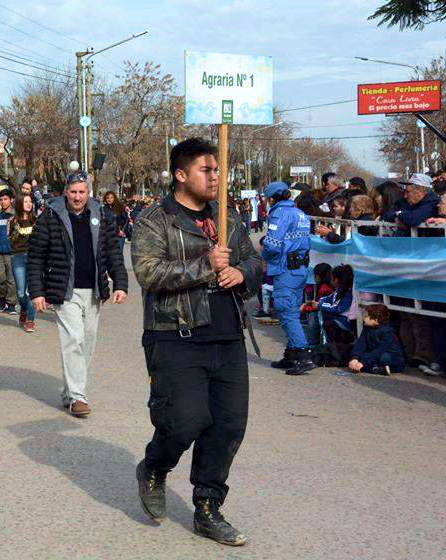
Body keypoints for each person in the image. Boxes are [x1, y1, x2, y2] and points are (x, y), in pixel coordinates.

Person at [131, 137, 262, 546]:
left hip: (228, 337)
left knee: (228, 426)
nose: (215, 177)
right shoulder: (155, 220)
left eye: (217, 170)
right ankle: (155, 466)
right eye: (206, 170)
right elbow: (149, 273)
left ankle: (208, 507)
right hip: (176, 336)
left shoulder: (228, 217)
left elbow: (254, 260)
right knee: (183, 420)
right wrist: (205, 265)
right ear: (181, 174)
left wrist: (242, 273)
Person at [28, 170, 129, 418]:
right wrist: (37, 292)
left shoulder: (101, 214)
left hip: (93, 290)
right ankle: (77, 397)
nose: (77, 196)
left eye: (82, 192)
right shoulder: (50, 216)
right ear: (66, 192)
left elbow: (112, 252)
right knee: (74, 340)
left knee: (87, 342)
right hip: (65, 290)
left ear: (89, 192)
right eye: (73, 191)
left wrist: (121, 283)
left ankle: (70, 391)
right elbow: (36, 256)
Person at [261, 181, 317, 375]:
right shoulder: (300, 213)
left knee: (286, 311)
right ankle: (291, 354)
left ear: (271, 199)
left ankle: (302, 354)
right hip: (300, 269)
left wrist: (263, 256)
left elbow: (272, 244)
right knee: (292, 311)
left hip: (285, 269)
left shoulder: (279, 213)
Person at [348, 304, 406, 375]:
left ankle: (375, 368)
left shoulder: (388, 332)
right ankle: (376, 369)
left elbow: (379, 350)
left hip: (393, 358)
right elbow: (361, 344)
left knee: (384, 357)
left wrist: (362, 362)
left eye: (366, 316)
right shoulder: (367, 328)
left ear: (375, 320)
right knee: (352, 352)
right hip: (374, 355)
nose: (364, 318)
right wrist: (355, 358)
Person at [10, 192, 37, 332]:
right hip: (18, 257)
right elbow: (10, 239)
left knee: (30, 291)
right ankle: (24, 310)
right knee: (21, 293)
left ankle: (30, 320)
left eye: (30, 201)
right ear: (20, 204)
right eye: (25, 201)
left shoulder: (36, 221)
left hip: (34, 257)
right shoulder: (13, 221)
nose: (29, 204)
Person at [0, 189, 17, 314]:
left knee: (11, 280)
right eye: (1, 199)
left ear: (11, 200)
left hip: (12, 253)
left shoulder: (16, 216)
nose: (3, 201)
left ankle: (11, 304)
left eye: (5, 199)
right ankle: (2, 299)